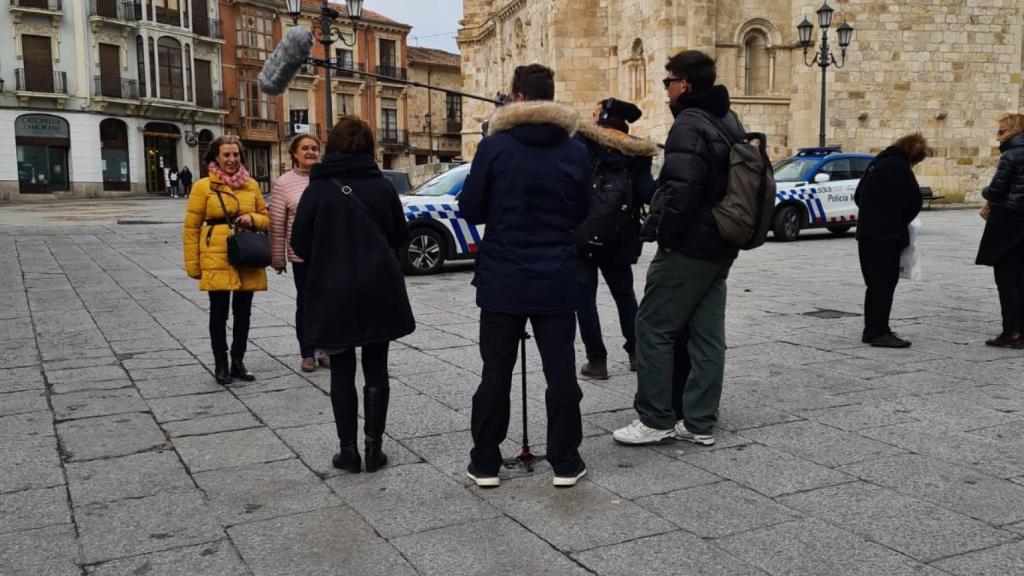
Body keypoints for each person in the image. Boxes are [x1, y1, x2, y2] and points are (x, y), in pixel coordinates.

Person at [460, 64, 590, 489]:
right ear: (549, 98)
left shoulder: (495, 147)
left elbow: (472, 209)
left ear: (516, 97)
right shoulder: (575, 150)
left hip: (503, 278)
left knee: (495, 373)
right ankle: (566, 461)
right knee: (562, 373)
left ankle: (485, 463)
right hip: (556, 278)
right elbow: (582, 211)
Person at [613, 50, 744, 447]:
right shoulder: (727, 118)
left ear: (684, 84)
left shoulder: (689, 123)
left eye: (667, 82)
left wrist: (666, 238)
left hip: (690, 245)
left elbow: (681, 193)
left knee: (652, 327)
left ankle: (655, 418)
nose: (665, 89)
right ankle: (700, 421)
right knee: (707, 334)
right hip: (722, 242)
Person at [290, 116, 415, 474]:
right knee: (377, 368)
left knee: (341, 371)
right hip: (378, 289)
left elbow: (299, 243)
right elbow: (399, 237)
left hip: (334, 292)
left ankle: (348, 452)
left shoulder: (317, 189)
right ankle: (374, 450)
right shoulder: (383, 187)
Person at [575, 98, 657, 379]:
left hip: (584, 233)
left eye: (595, 112)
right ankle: (636, 353)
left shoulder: (584, 143)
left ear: (602, 117)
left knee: (585, 300)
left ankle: (597, 361)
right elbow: (648, 192)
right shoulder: (638, 153)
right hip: (620, 235)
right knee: (624, 296)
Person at [183, 135, 269, 384]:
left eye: (235, 155)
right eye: (226, 155)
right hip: (216, 254)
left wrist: (253, 219)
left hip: (246, 253)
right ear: (216, 158)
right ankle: (220, 363)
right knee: (218, 313)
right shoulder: (202, 186)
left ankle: (238, 361)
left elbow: (266, 217)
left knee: (244, 313)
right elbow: (191, 227)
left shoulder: (251, 185)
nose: (232, 160)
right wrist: (193, 264)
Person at [854, 132, 927, 348]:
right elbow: (915, 200)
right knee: (884, 284)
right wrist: (898, 219)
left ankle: (872, 329)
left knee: (874, 284)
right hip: (886, 235)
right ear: (913, 154)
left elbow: (858, 195)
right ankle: (878, 332)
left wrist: (872, 213)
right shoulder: (899, 166)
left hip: (866, 233)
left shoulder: (877, 162)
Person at [270, 133, 331, 372]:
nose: (310, 152)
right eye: (305, 148)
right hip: (301, 256)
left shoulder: (327, 180)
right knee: (306, 303)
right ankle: (307, 352)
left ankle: (325, 349)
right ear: (294, 153)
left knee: (328, 304)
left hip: (329, 255)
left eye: (314, 148)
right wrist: (277, 257)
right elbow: (276, 223)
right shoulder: (283, 183)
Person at [976, 113, 1024, 348]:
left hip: (1007, 223)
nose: (998, 137)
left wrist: (986, 192)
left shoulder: (1011, 155)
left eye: (1002, 131)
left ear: (1014, 131)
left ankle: (1010, 330)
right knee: (1022, 279)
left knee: (1005, 279)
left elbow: (996, 190)